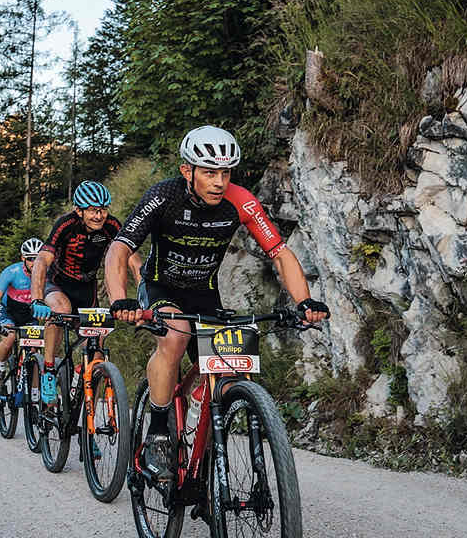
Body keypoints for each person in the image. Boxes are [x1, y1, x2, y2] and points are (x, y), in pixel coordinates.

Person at [105, 125, 329, 481]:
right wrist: (120, 300)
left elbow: (279, 252)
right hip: (161, 288)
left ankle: (198, 416)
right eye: (209, 172)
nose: (219, 181)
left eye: (225, 172)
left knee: (228, 366)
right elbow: (120, 248)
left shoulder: (240, 201)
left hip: (204, 294)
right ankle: (159, 432)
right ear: (187, 171)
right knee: (176, 337)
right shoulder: (164, 196)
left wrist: (304, 302)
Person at [30, 180, 143, 405]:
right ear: (79, 210)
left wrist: (144, 299)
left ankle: (82, 390)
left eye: (103, 209)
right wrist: (37, 298)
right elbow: (42, 261)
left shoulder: (112, 226)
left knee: (97, 345)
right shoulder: (65, 224)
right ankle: (49, 371)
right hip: (58, 284)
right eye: (92, 210)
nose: (99, 216)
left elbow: (133, 261)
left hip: (87, 289)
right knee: (61, 310)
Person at [0, 237, 43, 391]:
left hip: (29, 315)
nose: (34, 263)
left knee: (35, 349)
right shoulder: (12, 272)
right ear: (23, 258)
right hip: (8, 311)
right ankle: (1, 367)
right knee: (9, 339)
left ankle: (35, 393)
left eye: (38, 258)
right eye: (30, 259)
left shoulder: (46, 273)